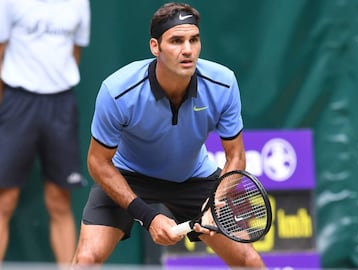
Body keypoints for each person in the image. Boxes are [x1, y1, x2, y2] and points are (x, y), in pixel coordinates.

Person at [72, 2, 265, 268]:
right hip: (129, 175)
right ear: (155, 47)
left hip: (193, 177)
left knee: (248, 260)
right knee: (85, 259)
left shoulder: (223, 84)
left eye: (193, 40)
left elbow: (236, 156)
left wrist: (215, 203)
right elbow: (97, 162)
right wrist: (148, 217)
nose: (187, 50)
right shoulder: (118, 91)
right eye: (176, 41)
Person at [0, 0, 90, 264]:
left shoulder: (79, 3)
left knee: (60, 202)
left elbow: (75, 51)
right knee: (4, 200)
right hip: (18, 102)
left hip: (60, 105)